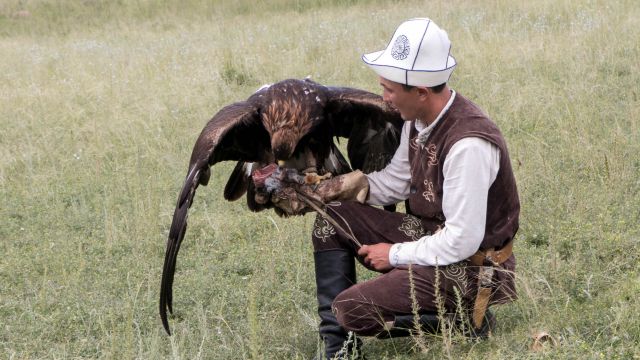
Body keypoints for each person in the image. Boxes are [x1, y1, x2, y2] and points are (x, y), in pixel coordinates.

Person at [276, 18, 520, 359]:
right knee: (329, 219)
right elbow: (396, 183)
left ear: (420, 91)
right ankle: (339, 350)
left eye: (390, 89)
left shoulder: (469, 144)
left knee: (351, 310)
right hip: (433, 235)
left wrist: (392, 254)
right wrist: (337, 189)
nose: (384, 98)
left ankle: (465, 319)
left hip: (473, 266)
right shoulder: (419, 120)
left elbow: (462, 240)